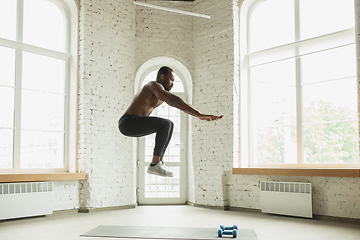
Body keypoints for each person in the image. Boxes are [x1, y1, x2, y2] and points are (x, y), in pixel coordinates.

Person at [118, 66, 223, 177]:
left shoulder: (160, 95)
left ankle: (158, 163)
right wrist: (199, 115)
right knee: (166, 124)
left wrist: (198, 115)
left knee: (169, 125)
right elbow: (174, 99)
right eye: (171, 79)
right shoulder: (154, 86)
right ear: (162, 77)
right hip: (128, 123)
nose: (173, 83)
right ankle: (155, 164)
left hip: (134, 124)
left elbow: (179, 105)